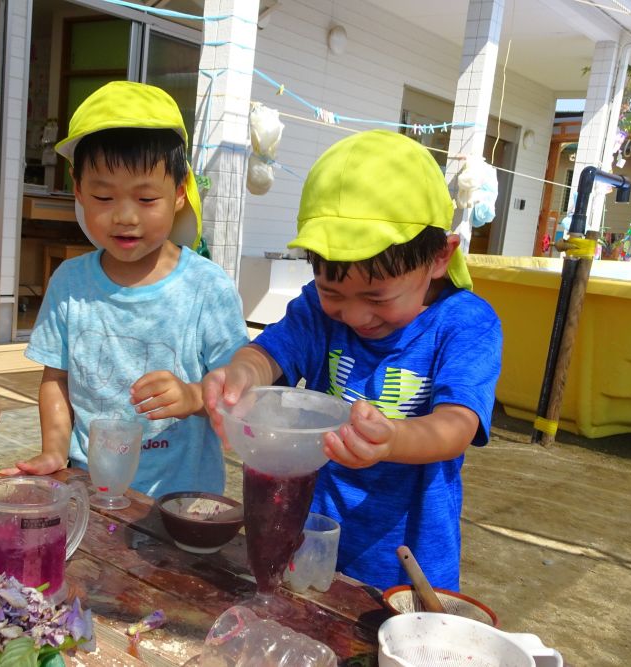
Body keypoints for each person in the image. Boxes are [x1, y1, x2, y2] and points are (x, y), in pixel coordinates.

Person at [203, 130, 502, 591]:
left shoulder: (464, 325)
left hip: (408, 568)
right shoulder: (317, 314)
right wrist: (240, 373)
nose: (356, 315)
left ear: (440, 257)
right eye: (333, 292)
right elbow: (269, 352)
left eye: (376, 296)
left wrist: (394, 439)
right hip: (311, 540)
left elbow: (457, 425)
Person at [8, 81, 249, 497]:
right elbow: (56, 379)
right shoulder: (70, 282)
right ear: (78, 189)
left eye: (145, 199)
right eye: (103, 196)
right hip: (92, 486)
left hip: (182, 498)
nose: (124, 217)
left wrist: (193, 396)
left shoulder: (206, 287)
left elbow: (238, 386)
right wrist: (53, 450)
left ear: (178, 192)